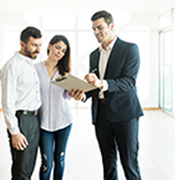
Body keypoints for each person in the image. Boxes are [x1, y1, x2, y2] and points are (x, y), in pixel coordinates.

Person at [70, 10, 144, 180]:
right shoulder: (94, 55)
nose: (96, 32)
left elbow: (129, 81)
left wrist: (102, 83)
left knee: (129, 163)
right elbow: (93, 86)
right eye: (93, 29)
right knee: (108, 162)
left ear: (111, 26)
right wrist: (81, 95)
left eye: (100, 27)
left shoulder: (129, 49)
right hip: (101, 115)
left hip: (125, 115)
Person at [34, 35, 83, 180]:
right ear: (49, 46)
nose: (59, 52)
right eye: (57, 47)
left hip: (63, 122)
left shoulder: (66, 74)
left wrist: (75, 94)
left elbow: (69, 96)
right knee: (46, 163)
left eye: (63, 51)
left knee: (59, 160)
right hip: (43, 125)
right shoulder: (35, 69)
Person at [0, 26, 43, 180]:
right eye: (34, 45)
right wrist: (15, 132)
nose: (38, 49)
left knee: (29, 167)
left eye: (40, 45)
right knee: (21, 171)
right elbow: (7, 102)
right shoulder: (13, 66)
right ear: (22, 44)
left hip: (34, 119)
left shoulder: (30, 64)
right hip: (22, 120)